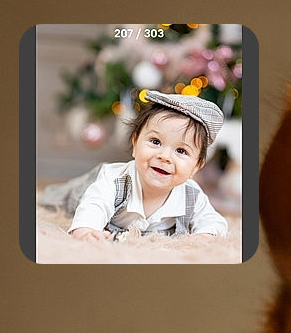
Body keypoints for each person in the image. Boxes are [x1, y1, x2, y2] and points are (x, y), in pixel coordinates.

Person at [68, 91, 228, 241]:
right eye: (155, 142)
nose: (164, 157)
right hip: (84, 187)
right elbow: (95, 204)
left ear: (196, 167)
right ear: (135, 143)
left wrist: (205, 236)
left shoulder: (192, 195)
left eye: (181, 150)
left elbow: (214, 221)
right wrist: (87, 229)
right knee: (62, 196)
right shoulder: (114, 180)